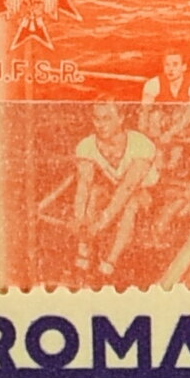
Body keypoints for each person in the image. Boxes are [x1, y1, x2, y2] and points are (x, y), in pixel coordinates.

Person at [67, 89, 162, 271]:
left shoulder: (141, 144)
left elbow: (127, 188)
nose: (101, 125)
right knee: (94, 193)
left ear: (120, 119)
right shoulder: (87, 145)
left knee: (131, 201)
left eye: (107, 119)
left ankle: (110, 261)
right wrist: (79, 220)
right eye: (97, 119)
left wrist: (102, 223)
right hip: (116, 188)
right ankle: (84, 250)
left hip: (150, 193)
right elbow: (83, 186)